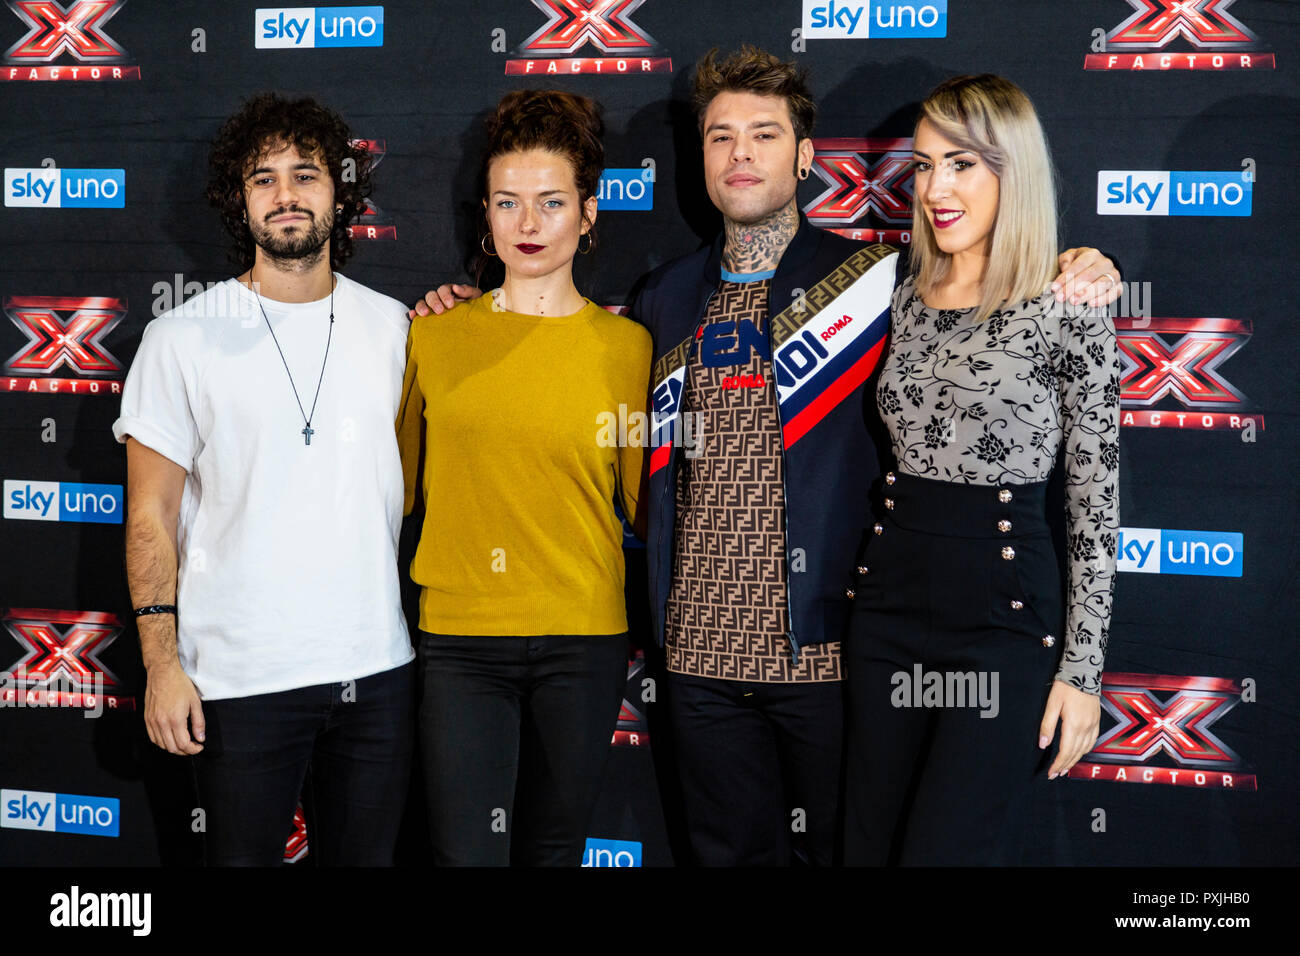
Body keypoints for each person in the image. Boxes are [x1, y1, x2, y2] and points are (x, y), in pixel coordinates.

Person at [418, 48, 1121, 867]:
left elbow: (989, 286)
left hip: (830, 655)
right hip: (698, 662)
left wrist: (1082, 265)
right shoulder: (663, 298)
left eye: (764, 133)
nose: (741, 153)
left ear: (805, 155)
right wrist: (466, 307)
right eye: (721, 137)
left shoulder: (877, 281)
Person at [114, 92, 415, 866]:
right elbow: (149, 514)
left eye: (305, 174)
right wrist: (161, 668)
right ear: (237, 199)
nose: (286, 195)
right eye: (263, 178)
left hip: (377, 673)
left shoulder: (396, 327)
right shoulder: (181, 338)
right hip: (237, 682)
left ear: (340, 194)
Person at [843, 74, 1121, 865]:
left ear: (1013, 170)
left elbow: (1094, 504)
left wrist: (1082, 672)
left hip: (1003, 617)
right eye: (925, 165)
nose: (936, 188)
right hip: (887, 608)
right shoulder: (898, 288)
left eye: (962, 164)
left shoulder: (1069, 301)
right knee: (866, 847)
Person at [396, 89, 651, 866]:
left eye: (550, 202)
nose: (529, 224)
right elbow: (394, 492)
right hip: (461, 641)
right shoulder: (433, 337)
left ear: (589, 211)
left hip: (584, 636)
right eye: (508, 203)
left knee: (552, 851)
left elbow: (648, 505)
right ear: (486, 216)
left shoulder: (629, 348)